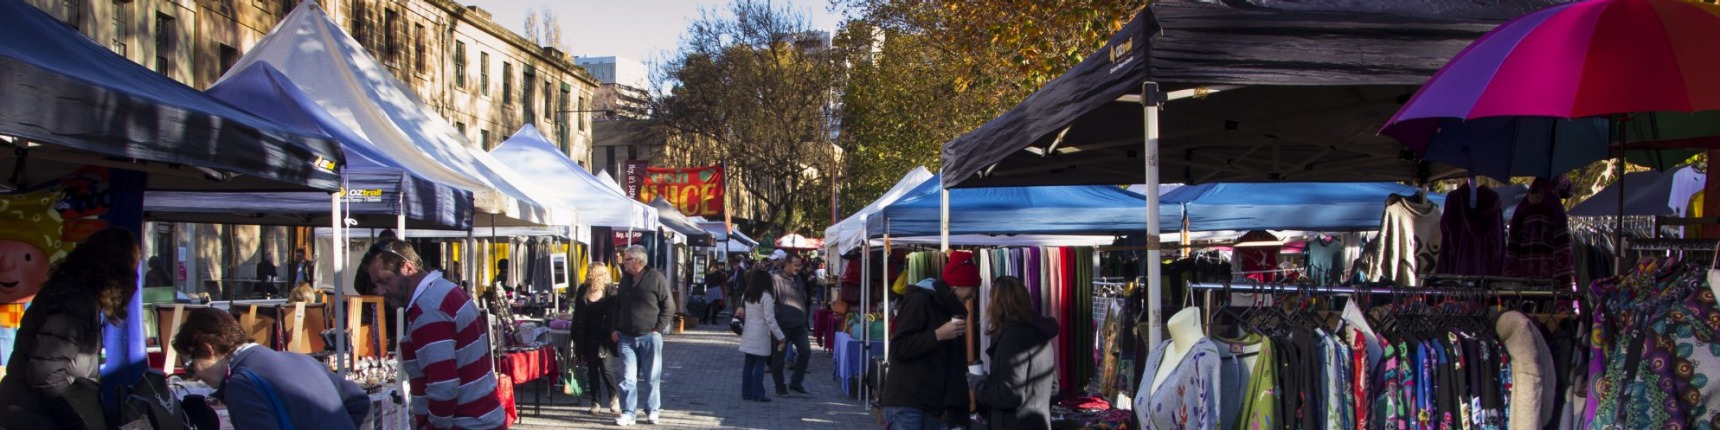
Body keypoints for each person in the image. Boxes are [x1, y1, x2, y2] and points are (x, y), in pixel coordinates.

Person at [0, 227, 141, 429]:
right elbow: (45, 372)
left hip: (28, 413)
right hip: (33, 417)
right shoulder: (74, 301)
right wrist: (75, 419)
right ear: (117, 271)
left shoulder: (74, 295)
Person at [365, 240, 504, 429]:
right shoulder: (445, 290)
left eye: (384, 281)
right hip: (482, 417)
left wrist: (434, 426)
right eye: (376, 284)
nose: (380, 291)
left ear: (407, 268)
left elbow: (444, 385)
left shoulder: (429, 311)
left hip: (466, 423)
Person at [172, 307, 369, 429]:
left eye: (191, 364)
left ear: (208, 350)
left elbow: (357, 400)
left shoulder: (242, 383)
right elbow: (357, 399)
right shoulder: (299, 360)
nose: (195, 375)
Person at [882, 250, 981, 430]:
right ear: (957, 285)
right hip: (909, 403)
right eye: (972, 288)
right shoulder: (921, 300)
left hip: (934, 405)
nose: (973, 296)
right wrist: (937, 335)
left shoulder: (951, 307)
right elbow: (899, 347)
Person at [966, 276, 1057, 430]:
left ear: (997, 304)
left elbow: (1009, 395)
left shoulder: (1013, 338)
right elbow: (1053, 387)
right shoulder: (1040, 334)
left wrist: (979, 384)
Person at [611, 245, 673, 426]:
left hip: (649, 336)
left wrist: (658, 328)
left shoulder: (656, 278)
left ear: (638, 261)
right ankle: (629, 412)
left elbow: (668, 306)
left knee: (652, 377)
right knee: (627, 377)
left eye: (627, 258)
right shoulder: (625, 279)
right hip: (626, 337)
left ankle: (653, 410)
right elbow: (617, 305)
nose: (623, 261)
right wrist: (614, 328)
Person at [572, 265, 620, 415]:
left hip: (604, 336)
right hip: (586, 335)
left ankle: (614, 397)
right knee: (592, 369)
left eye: (590, 271)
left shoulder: (610, 291)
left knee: (605, 368)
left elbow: (615, 315)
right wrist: (575, 334)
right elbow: (577, 313)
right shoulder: (583, 289)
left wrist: (615, 331)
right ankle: (596, 401)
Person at [737, 268, 784, 402]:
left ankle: (746, 393)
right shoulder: (766, 297)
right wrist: (781, 336)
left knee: (748, 364)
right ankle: (758, 393)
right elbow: (770, 319)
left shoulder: (746, 294)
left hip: (748, 331)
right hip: (761, 334)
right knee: (759, 365)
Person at [769, 255, 811, 398]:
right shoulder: (776, 279)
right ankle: (780, 386)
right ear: (786, 264)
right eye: (796, 265)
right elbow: (771, 301)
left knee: (805, 351)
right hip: (782, 325)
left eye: (800, 265)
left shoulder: (798, 279)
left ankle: (796, 383)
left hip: (799, 324)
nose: (798, 268)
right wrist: (778, 314)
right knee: (779, 357)